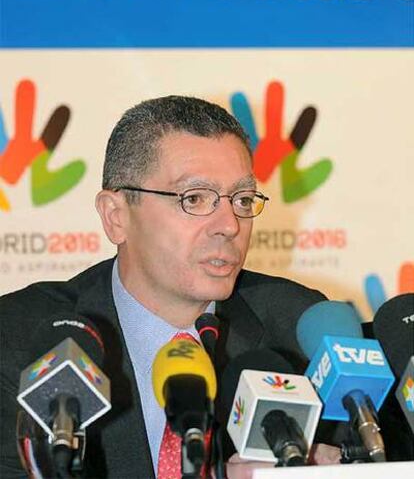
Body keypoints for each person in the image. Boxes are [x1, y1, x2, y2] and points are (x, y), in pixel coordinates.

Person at [0, 95, 337, 478]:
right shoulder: (19, 338)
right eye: (194, 198)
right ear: (116, 217)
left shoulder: (295, 331)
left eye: (242, 200)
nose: (230, 225)